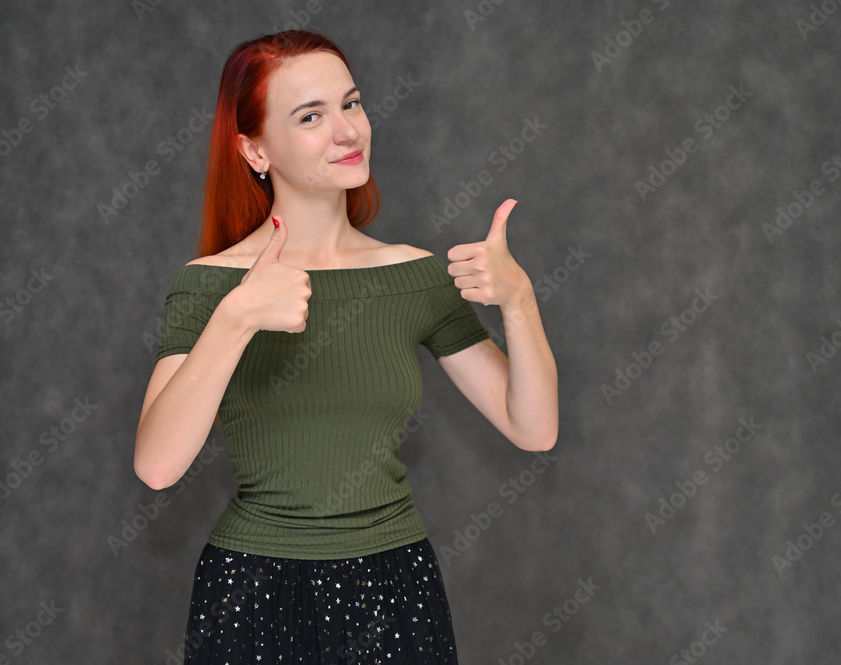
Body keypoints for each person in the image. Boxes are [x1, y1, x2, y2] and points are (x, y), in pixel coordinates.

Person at [134, 29, 558, 664]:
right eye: (311, 116)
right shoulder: (210, 287)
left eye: (351, 104)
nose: (348, 131)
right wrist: (236, 318)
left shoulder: (414, 276)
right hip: (252, 594)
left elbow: (534, 428)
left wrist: (520, 300)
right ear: (254, 149)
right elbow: (157, 466)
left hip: (396, 589)